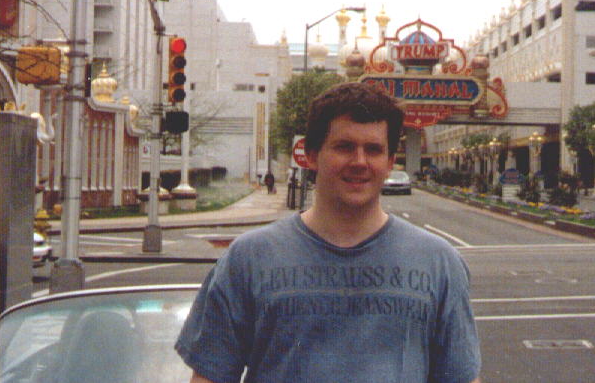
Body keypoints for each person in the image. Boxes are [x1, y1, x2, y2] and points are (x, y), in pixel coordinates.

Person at [176, 82, 482, 383]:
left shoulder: (439, 263)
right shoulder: (247, 259)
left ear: (390, 163)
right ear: (311, 154)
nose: (360, 162)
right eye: (344, 147)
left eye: (373, 150)